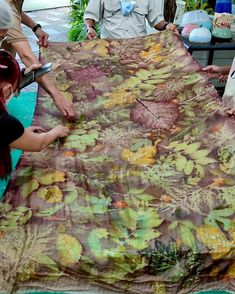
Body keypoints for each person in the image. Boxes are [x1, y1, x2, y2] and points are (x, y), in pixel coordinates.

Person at [0, 49, 69, 179]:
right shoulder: (5, 122)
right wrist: (56, 132)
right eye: (14, 89)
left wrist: (20, 134)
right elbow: (38, 144)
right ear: (7, 89)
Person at [1, 0, 76, 121]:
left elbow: (17, 10)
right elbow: (27, 56)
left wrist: (35, 27)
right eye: (1, 37)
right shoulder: (6, 9)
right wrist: (57, 96)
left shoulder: (10, 6)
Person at [84, 0, 178, 40]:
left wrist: (167, 26)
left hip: (138, 49)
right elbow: (91, 15)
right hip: (110, 48)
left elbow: (157, 20)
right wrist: (90, 28)